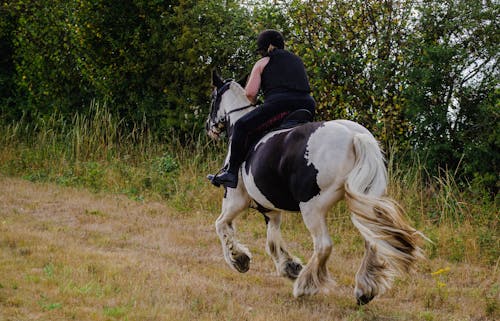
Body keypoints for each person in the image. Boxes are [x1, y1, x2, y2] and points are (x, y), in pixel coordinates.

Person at [209, 29, 316, 188]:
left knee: (241, 126)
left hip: (280, 105)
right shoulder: (297, 60)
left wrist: (257, 99)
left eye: (261, 50)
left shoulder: (262, 63)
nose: (261, 54)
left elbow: (250, 94)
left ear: (269, 46)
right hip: (308, 104)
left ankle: (231, 173)